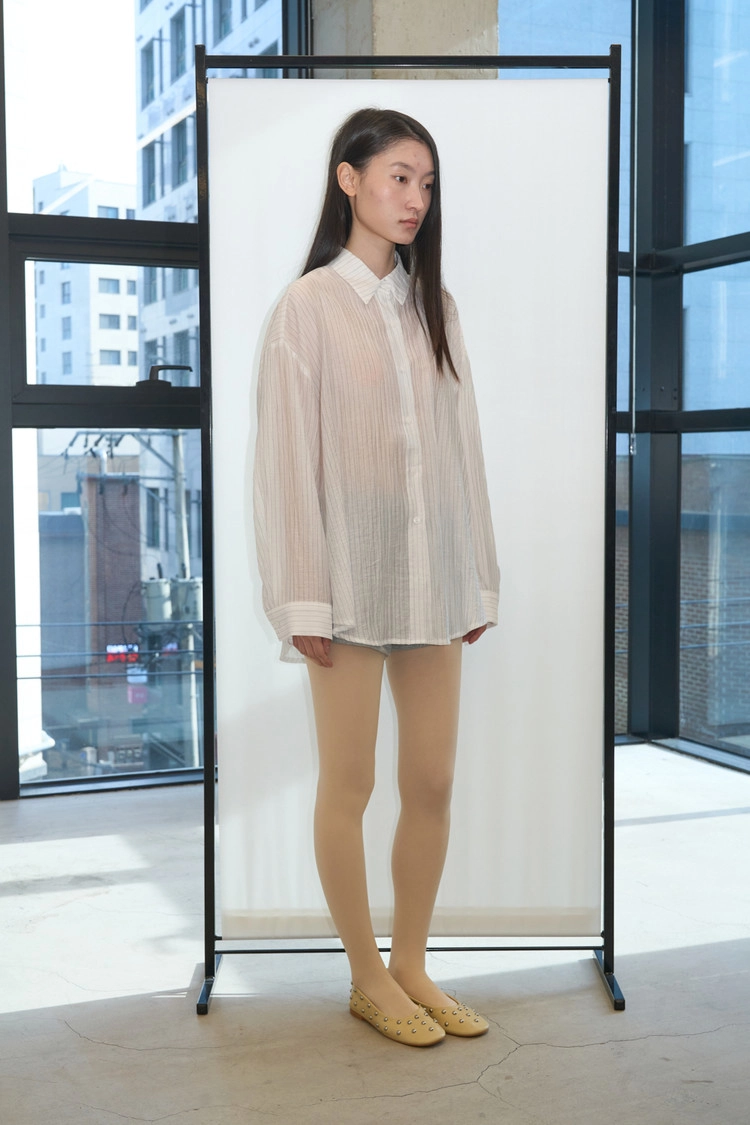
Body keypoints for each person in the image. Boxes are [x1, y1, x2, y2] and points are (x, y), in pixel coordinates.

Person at [253, 107, 499, 1047]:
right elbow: (288, 463)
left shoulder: (436, 308)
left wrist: (475, 574)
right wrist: (302, 597)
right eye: (400, 176)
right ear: (348, 178)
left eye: (427, 183)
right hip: (346, 585)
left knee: (431, 780)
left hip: (433, 579)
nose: (416, 198)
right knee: (348, 784)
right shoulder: (307, 308)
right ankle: (365, 976)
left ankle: (412, 963)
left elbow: (462, 447)